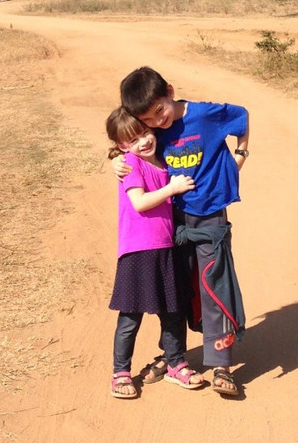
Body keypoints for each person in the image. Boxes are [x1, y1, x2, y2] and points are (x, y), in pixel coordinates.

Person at [115, 66, 249, 397]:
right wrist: (113, 160)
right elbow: (125, 140)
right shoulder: (149, 130)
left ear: (170, 91)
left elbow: (242, 117)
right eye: (149, 120)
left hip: (209, 218)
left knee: (212, 285)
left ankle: (222, 364)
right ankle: (173, 356)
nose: (158, 123)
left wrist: (239, 158)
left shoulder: (206, 115)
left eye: (160, 111)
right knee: (176, 290)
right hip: (171, 222)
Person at [105, 106, 204, 399]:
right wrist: (172, 189)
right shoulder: (131, 164)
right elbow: (139, 202)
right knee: (130, 316)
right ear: (122, 146)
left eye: (146, 132)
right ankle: (120, 372)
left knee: (173, 312)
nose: (143, 141)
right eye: (133, 140)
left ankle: (176, 364)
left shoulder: (163, 161)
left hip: (166, 248)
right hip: (138, 251)